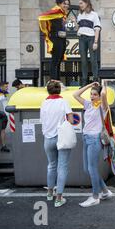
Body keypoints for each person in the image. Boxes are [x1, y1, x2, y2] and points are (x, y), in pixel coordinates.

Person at [73, 82, 113, 207]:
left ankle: (95, 196)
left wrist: (103, 86)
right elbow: (75, 94)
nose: (92, 96)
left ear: (99, 96)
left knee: (92, 168)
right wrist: (90, 85)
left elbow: (104, 94)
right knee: (87, 169)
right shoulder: (88, 104)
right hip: (85, 137)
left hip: (95, 139)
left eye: (95, 94)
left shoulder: (102, 106)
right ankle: (105, 191)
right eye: (91, 94)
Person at [40, 80, 74, 208]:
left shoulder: (44, 103)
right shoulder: (63, 101)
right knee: (62, 167)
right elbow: (70, 119)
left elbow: (42, 119)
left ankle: (49, 193)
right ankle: (59, 198)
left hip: (48, 138)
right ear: (59, 90)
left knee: (51, 165)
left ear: (48, 90)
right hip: (62, 138)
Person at [71, 0, 102, 86]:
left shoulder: (94, 14)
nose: (80, 5)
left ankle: (95, 81)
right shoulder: (80, 15)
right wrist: (75, 22)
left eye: (81, 3)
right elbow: (78, 28)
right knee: (83, 61)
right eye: (79, 3)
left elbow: (97, 29)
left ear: (86, 3)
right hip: (81, 38)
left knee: (93, 60)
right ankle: (84, 82)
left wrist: (95, 42)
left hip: (91, 38)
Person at [39, 0, 70, 80]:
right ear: (59, 4)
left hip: (62, 38)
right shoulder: (56, 11)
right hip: (55, 38)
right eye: (64, 3)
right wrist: (45, 30)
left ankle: (57, 81)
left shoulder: (62, 14)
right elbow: (41, 17)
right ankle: (53, 81)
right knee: (55, 61)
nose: (66, 5)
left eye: (67, 4)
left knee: (59, 61)